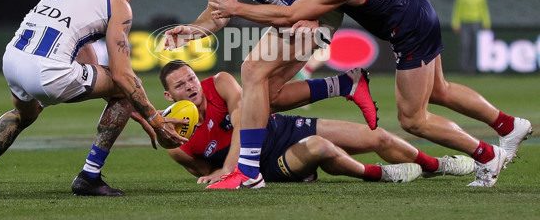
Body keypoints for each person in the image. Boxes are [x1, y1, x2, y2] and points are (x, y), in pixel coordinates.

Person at [209, 0, 533, 187]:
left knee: (413, 119)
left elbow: (294, 13)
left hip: (410, 31)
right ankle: (508, 125)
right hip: (417, 9)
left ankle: (487, 155)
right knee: (441, 91)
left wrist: (237, 9)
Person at [164, 0, 379, 189]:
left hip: (315, 16)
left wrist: (314, 12)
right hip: (289, 19)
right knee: (267, 97)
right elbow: (218, 14)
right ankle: (347, 84)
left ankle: (249, 172)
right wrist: (190, 31)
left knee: (252, 70)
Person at [0, 0, 188, 196]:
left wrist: (135, 105)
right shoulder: (116, 0)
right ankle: (90, 176)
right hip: (49, 71)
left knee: (24, 114)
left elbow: (90, 59)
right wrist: (156, 119)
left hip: (12, 61)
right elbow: (122, 76)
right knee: (130, 83)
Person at [158, 60, 476, 188]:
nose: (190, 86)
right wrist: (220, 176)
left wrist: (231, 169)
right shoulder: (176, 141)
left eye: (190, 78)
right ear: (168, 94)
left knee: (378, 137)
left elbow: (244, 123)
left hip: (282, 128)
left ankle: (437, 165)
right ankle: (382, 174)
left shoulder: (221, 83)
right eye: (181, 85)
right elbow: (204, 173)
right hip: (269, 166)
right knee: (322, 148)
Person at [451, 0, 491, 74]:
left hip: (476, 22)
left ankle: (473, 69)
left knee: (474, 46)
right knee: (465, 45)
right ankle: (464, 68)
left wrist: (486, 22)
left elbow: (484, 10)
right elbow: (457, 9)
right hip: (465, 23)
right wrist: (455, 22)